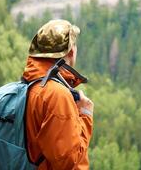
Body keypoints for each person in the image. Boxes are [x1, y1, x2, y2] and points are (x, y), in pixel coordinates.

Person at [22, 19, 94, 170]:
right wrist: (85, 114)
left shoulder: (29, 85)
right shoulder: (57, 95)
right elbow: (68, 163)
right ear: (71, 51)